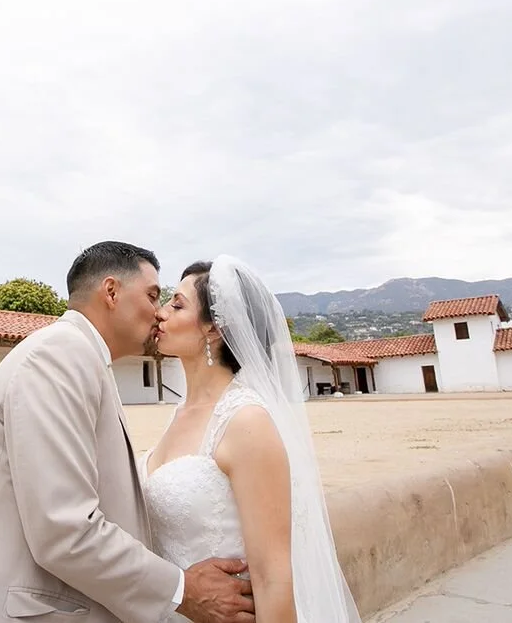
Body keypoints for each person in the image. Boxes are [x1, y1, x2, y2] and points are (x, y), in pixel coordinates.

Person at [0, 241, 255, 623]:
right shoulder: (58, 357)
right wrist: (183, 590)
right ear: (111, 291)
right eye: (153, 295)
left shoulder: (85, 359)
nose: (158, 312)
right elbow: (64, 530)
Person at [143, 256, 361, 623]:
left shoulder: (245, 421)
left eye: (176, 304)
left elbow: (273, 576)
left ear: (214, 328)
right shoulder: (178, 413)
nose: (160, 313)